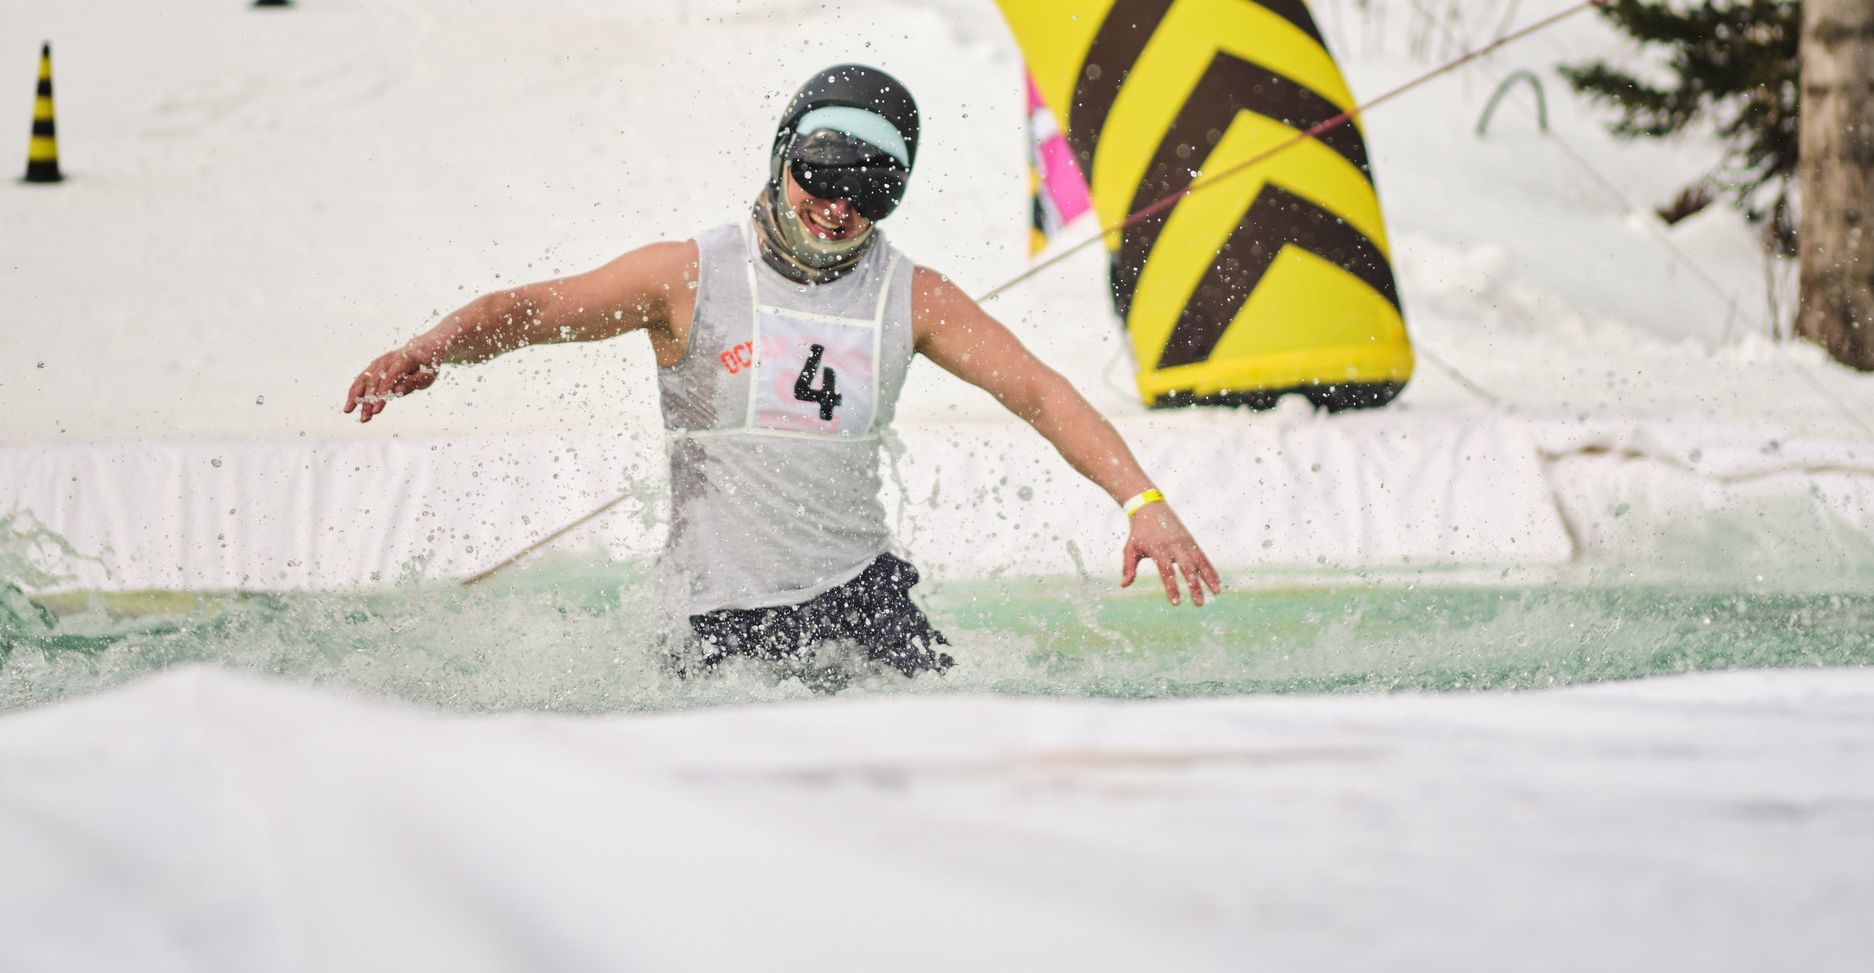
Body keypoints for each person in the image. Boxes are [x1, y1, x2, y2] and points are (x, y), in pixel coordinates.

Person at [342, 66, 1222, 681]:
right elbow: (534, 309)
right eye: (824, 173)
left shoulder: (911, 295)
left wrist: (1145, 504)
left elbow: (1037, 391)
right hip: (717, 618)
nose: (840, 208)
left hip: (865, 603)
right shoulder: (690, 275)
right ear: (783, 157)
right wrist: (431, 349)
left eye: (872, 190)